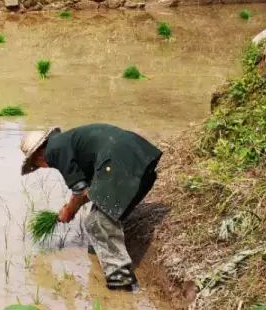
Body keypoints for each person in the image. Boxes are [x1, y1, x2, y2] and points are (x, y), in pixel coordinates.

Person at [20, 123, 162, 291]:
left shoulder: (54, 150)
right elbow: (91, 190)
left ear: (38, 155)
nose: (43, 167)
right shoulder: (70, 143)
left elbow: (80, 192)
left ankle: (121, 280)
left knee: (95, 222)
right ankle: (97, 262)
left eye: (36, 165)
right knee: (98, 222)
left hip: (118, 161)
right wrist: (70, 206)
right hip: (139, 156)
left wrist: (69, 211)